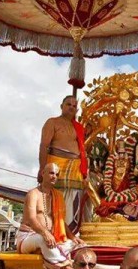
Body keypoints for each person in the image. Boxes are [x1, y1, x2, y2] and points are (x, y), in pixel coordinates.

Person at [17, 162, 84, 269]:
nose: (55, 177)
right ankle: (63, 264)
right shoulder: (33, 194)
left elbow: (61, 222)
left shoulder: (57, 196)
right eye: (52, 173)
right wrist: (45, 233)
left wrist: (72, 237)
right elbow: (31, 219)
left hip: (51, 239)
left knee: (79, 245)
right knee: (42, 239)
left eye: (57, 174)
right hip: (28, 237)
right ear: (43, 173)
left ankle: (54, 262)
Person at [39, 95, 88, 233]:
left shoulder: (78, 127)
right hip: (56, 164)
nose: (71, 107)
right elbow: (44, 146)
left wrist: (85, 172)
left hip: (75, 168)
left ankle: (69, 234)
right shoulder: (52, 122)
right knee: (52, 199)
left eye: (74, 106)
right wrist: (42, 168)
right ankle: (52, 233)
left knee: (73, 202)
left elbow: (82, 150)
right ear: (61, 106)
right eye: (68, 104)